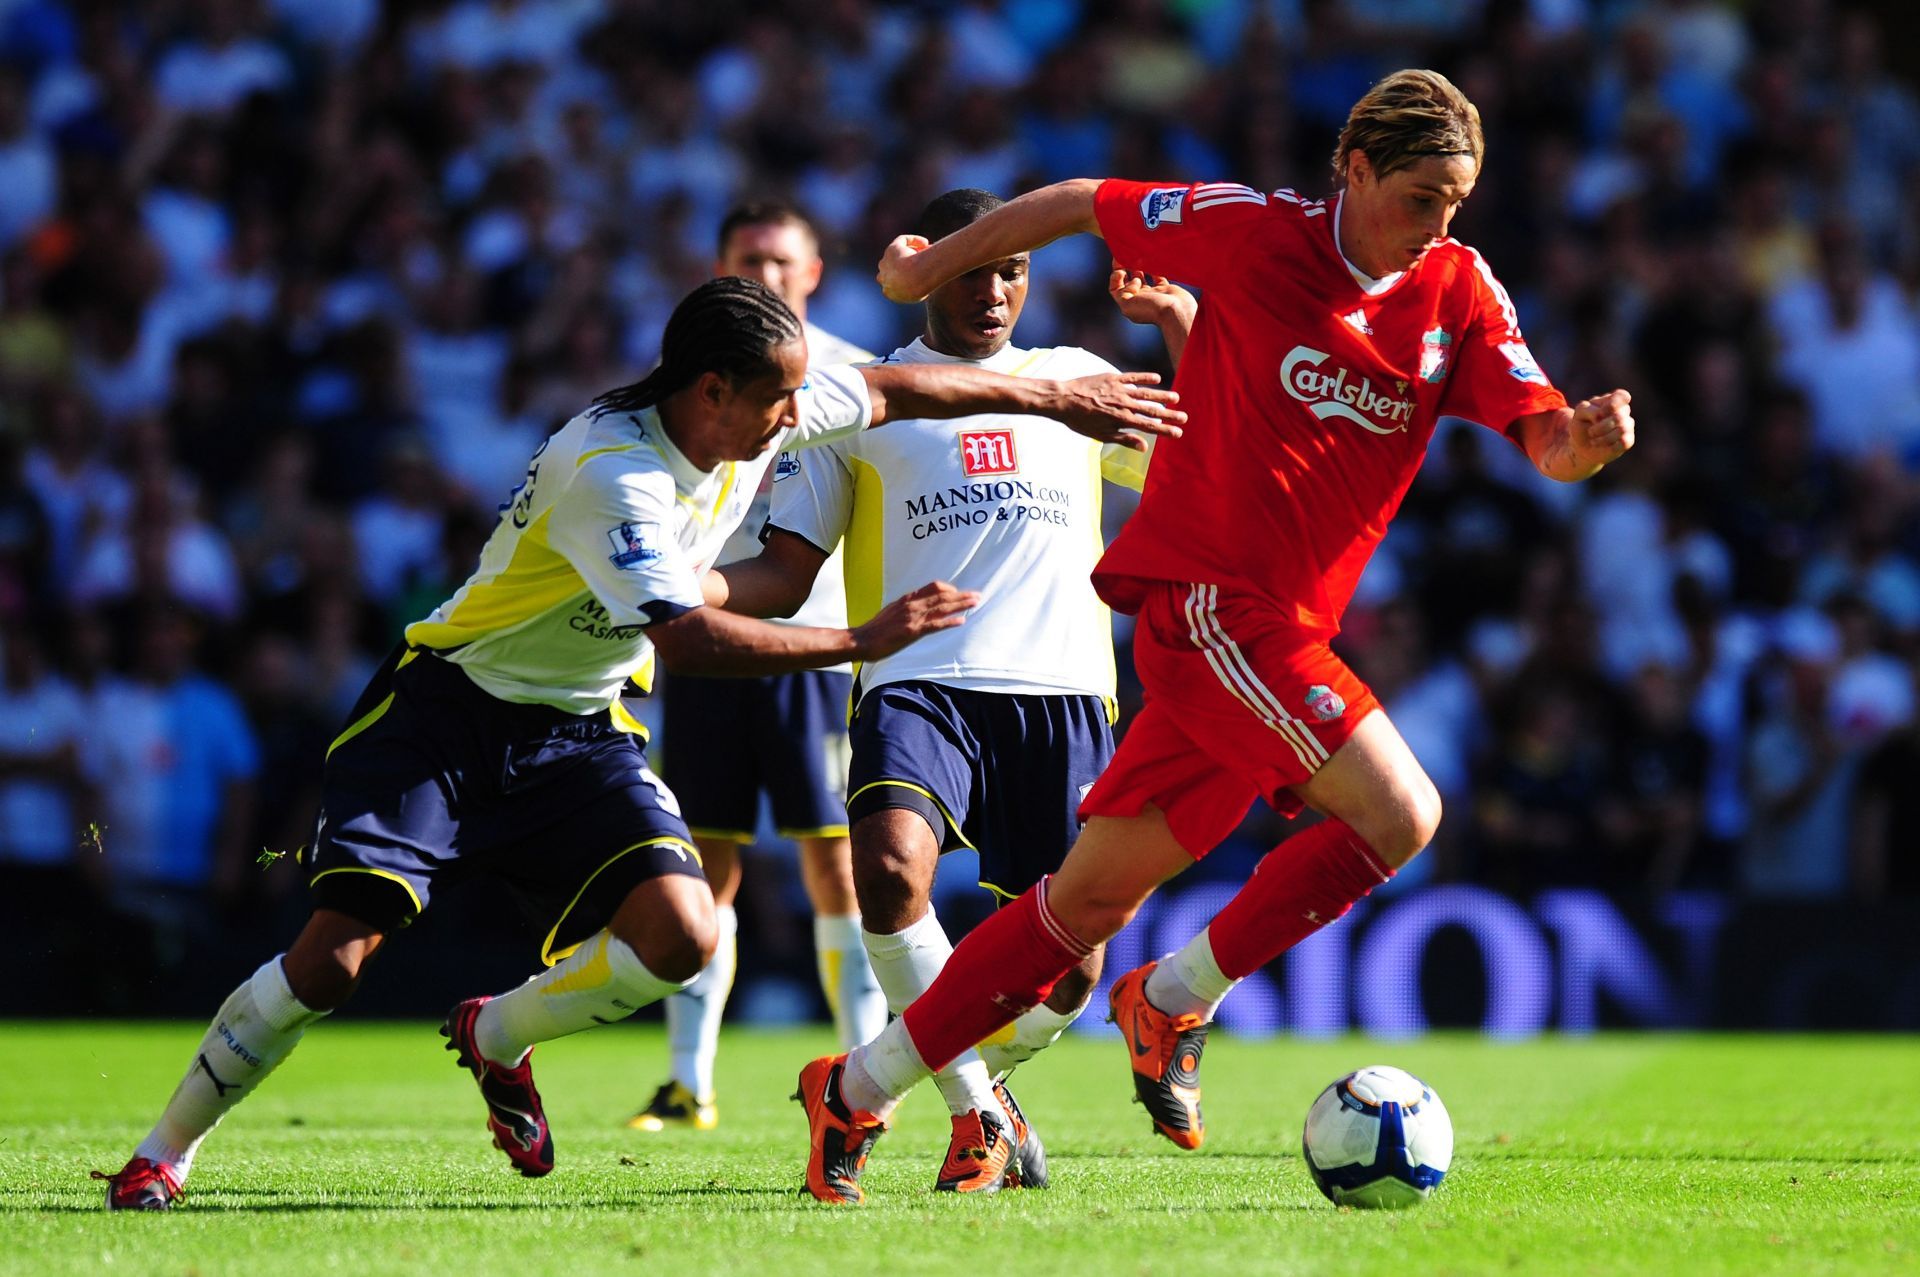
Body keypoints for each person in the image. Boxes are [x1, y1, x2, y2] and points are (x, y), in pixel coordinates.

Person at [93, 276, 1183, 1210]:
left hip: (576, 727)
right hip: (449, 713)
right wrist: (862, 635)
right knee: (333, 960)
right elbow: (690, 639)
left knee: (681, 937)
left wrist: (1055, 393)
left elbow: (899, 387)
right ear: (712, 391)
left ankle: (498, 1033)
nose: (798, 416)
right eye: (778, 399)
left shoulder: (758, 407)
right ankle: (161, 1152)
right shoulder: (612, 469)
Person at [797, 68, 1636, 1205]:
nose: (1438, 224)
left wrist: (1579, 444)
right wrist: (922, 267)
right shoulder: (1251, 232)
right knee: (1403, 813)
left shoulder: (1458, 288)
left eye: (1457, 200)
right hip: (1210, 607)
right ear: (1353, 170)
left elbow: (1543, 441)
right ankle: (1179, 994)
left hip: (1279, 633)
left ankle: (853, 1084)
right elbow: (1081, 199)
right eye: (1420, 197)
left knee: (1078, 909)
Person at [716, 188, 1194, 1193]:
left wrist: (1184, 333)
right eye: (975, 268)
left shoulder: (1078, 378)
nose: (995, 290)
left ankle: (868, 1080)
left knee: (1070, 969)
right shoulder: (857, 393)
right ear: (927, 265)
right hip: (916, 679)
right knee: (888, 873)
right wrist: (690, 594)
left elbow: (1199, 472)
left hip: (1063, 689)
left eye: (1013, 270)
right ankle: (978, 1107)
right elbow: (789, 568)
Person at [630, 202, 885, 1134]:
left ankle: (866, 1072)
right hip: (705, 645)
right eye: (749, 260)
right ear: (718, 264)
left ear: (814, 272)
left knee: (840, 869)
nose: (768, 276)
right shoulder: (684, 380)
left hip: (814, 646)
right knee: (707, 864)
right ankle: (687, 1081)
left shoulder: (853, 371)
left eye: (783, 262)